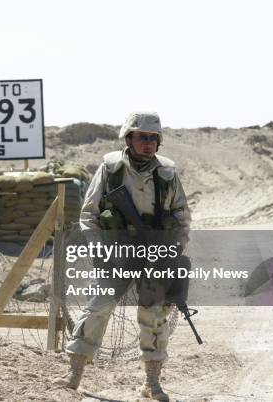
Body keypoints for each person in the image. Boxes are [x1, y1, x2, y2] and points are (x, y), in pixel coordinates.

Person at [54, 112, 191, 401]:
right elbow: (89, 215)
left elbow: (181, 215)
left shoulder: (167, 172)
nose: (148, 143)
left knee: (154, 317)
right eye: (142, 137)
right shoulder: (111, 168)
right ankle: (74, 374)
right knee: (97, 309)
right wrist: (100, 249)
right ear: (128, 138)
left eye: (153, 138)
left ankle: (152, 384)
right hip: (118, 252)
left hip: (154, 253)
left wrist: (173, 248)